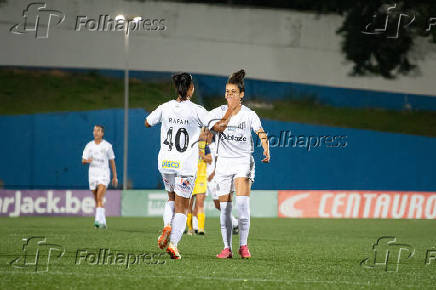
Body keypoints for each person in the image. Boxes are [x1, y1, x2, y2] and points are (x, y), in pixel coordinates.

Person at [145, 72, 209, 259]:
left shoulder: (165, 107)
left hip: (165, 161)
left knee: (171, 200)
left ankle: (166, 225)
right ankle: (173, 244)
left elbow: (147, 122)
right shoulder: (197, 109)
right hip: (185, 165)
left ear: (176, 88)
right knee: (183, 207)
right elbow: (214, 125)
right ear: (191, 88)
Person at [209, 69, 270, 259]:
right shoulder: (219, 112)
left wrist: (266, 147)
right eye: (227, 91)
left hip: (243, 161)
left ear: (241, 94)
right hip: (223, 164)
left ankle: (243, 246)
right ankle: (226, 248)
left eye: (233, 92)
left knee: (242, 205)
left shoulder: (249, 115)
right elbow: (208, 125)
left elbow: (260, 132)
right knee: (225, 208)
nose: (229, 95)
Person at [82, 125, 118, 229]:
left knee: (99, 197)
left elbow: (112, 161)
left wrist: (115, 176)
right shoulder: (89, 145)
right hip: (92, 175)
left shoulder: (107, 146)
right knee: (97, 200)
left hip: (103, 174)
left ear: (102, 133)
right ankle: (103, 222)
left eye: (98, 131)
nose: (95, 132)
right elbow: (83, 160)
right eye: (94, 130)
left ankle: (97, 220)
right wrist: (87, 160)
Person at [187, 128, 211, 235]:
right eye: (204, 133)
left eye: (206, 134)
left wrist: (203, 156)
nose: (205, 135)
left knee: (200, 204)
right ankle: (190, 229)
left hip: (201, 178)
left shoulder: (205, 146)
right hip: (190, 177)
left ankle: (201, 228)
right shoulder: (190, 145)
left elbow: (210, 160)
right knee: (189, 205)